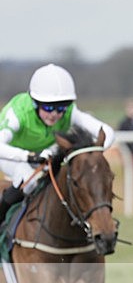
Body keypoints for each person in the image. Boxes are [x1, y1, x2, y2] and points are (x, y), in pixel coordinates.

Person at [0, 63, 115, 225]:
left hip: (47, 155)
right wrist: (28, 156)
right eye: (48, 107)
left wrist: (90, 152)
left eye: (61, 108)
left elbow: (108, 132)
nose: (54, 114)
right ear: (34, 103)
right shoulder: (18, 113)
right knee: (29, 181)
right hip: (12, 157)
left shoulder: (69, 112)